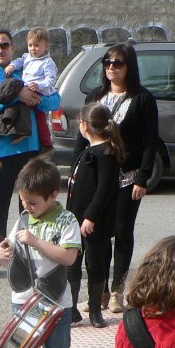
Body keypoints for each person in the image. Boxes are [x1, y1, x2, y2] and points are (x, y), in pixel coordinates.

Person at [0, 159, 80, 348]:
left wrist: (36, 241)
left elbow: (68, 257)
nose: (27, 208)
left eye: (33, 203)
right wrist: (1, 256)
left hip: (56, 303)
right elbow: (11, 255)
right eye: (24, 202)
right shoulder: (22, 219)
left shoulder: (67, 220)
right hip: (23, 299)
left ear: (53, 195)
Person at [74, 44, 160, 315]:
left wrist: (143, 178)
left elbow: (150, 142)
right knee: (96, 235)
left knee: (122, 232)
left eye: (118, 62)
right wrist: (76, 169)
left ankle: (118, 290)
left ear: (129, 66)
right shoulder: (96, 95)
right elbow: (82, 135)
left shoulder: (143, 99)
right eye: (107, 62)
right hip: (98, 178)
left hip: (127, 178)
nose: (111, 67)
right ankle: (99, 290)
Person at [0, 29, 62, 280]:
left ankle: (32, 259)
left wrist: (33, 97)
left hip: (31, 149)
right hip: (1, 151)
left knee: (33, 208)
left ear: (13, 47)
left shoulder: (33, 68)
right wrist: (14, 95)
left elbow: (55, 101)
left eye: (4, 45)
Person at [66, 102, 123, 328]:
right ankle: (71, 310)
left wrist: (90, 216)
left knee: (96, 264)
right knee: (72, 263)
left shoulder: (106, 153)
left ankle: (95, 311)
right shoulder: (87, 151)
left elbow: (105, 189)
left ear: (86, 126)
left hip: (94, 220)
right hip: (74, 218)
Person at [3, 27, 59, 151]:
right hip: (28, 87)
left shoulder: (48, 62)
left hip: (39, 90)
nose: (33, 49)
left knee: (40, 118)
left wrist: (39, 85)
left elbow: (51, 80)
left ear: (46, 46)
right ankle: (17, 129)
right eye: (30, 45)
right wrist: (12, 66)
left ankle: (46, 144)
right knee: (20, 106)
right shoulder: (26, 57)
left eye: (37, 45)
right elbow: (19, 62)